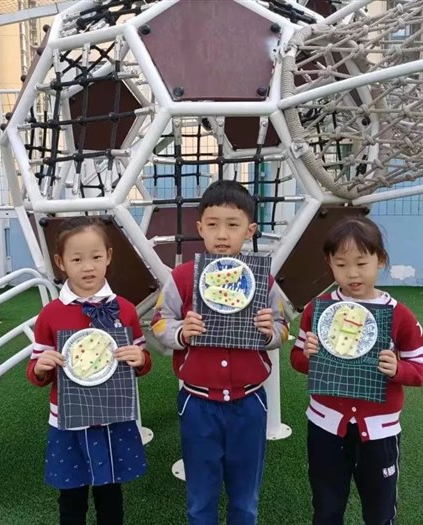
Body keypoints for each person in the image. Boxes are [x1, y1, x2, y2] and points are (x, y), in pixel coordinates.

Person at [151, 179, 289, 525]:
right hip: (197, 403)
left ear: (250, 230)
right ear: (200, 228)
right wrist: (181, 332)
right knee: (200, 498)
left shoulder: (263, 280)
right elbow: (159, 321)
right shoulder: (183, 277)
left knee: (245, 498)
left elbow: (283, 327)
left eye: (233, 225)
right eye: (213, 225)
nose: (222, 235)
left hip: (250, 402)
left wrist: (269, 332)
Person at [291, 216, 423, 525]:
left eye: (361, 263)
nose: (352, 273)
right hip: (325, 426)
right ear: (329, 264)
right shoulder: (318, 310)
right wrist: (308, 356)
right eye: (341, 264)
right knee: (326, 508)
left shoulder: (399, 315)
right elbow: (298, 360)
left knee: (380, 511)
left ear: (380, 260)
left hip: (380, 431)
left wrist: (398, 369)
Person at [28, 216, 152, 525]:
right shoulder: (50, 314)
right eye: (77, 259)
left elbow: (143, 362)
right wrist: (41, 367)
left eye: (96, 257)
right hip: (68, 421)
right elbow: (36, 371)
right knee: (71, 498)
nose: (88, 267)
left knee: (110, 495)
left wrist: (140, 358)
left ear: (108, 256)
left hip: (112, 417)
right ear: (60, 263)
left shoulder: (125, 309)